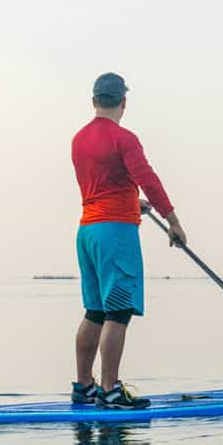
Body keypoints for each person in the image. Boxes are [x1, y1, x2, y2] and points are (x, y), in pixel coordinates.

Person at [72, 72, 185, 408]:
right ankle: (110, 391)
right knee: (118, 312)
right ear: (124, 102)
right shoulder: (124, 138)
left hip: (87, 231)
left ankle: (84, 387)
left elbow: (101, 184)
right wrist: (172, 220)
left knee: (94, 310)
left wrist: (131, 202)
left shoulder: (78, 139)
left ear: (94, 101)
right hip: (116, 233)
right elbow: (146, 178)